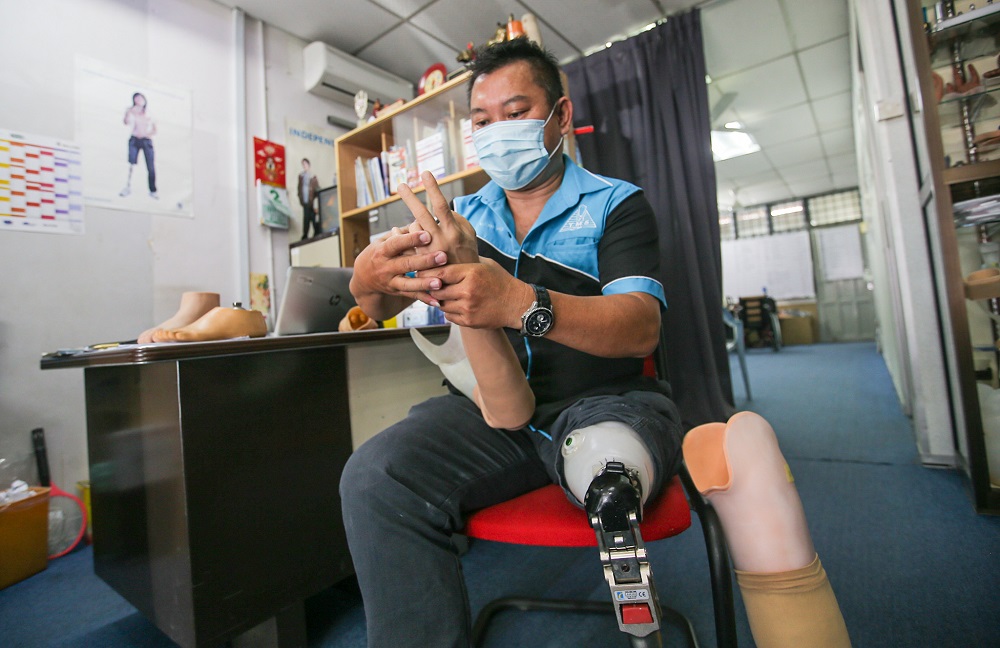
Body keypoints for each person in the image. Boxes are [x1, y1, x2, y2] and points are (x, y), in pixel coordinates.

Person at [341, 38, 683, 648]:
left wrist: (518, 302)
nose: (498, 131)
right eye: (482, 120)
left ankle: (619, 523)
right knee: (375, 476)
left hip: (603, 399)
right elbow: (383, 300)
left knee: (610, 457)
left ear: (558, 116)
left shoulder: (614, 205)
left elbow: (640, 326)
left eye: (517, 112)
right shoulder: (459, 217)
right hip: (487, 419)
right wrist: (366, 282)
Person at [119, 92, 157, 199]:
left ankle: (153, 190)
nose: (139, 100)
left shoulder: (149, 113)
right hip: (134, 140)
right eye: (136, 99)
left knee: (150, 166)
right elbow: (125, 122)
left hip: (146, 141)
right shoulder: (131, 111)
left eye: (141, 98)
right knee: (131, 164)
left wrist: (146, 134)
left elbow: (154, 129)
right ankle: (128, 187)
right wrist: (128, 113)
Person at [298, 158, 321, 240]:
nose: (304, 166)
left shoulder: (313, 177)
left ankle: (317, 232)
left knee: (314, 219)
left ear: (309, 165)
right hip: (305, 203)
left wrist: (316, 203)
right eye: (303, 164)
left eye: (305, 164)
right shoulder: (301, 177)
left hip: (312, 203)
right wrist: (300, 199)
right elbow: (299, 189)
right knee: (306, 220)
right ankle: (305, 235)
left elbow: (318, 190)